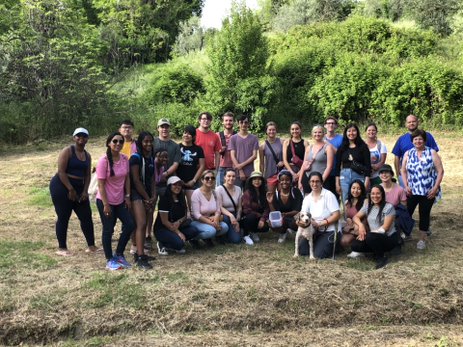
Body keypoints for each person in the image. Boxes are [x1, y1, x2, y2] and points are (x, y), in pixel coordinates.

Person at [49, 127, 97, 256]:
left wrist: (85, 191)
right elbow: (61, 172)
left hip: (80, 185)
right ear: (74, 137)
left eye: (84, 136)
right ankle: (62, 248)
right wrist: (70, 189)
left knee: (86, 216)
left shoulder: (87, 155)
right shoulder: (68, 151)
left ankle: (91, 245)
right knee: (63, 216)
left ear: (87, 138)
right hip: (62, 185)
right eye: (78, 136)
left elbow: (87, 175)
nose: (81, 138)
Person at [95, 132, 135, 270]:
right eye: (115, 141)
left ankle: (119, 254)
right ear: (109, 143)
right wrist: (106, 205)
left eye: (120, 142)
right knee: (108, 229)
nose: (118, 144)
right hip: (105, 201)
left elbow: (127, 178)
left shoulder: (124, 159)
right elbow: (100, 184)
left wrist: (128, 196)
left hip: (120, 200)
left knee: (130, 224)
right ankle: (109, 259)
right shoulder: (103, 161)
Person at [401, 129, 444, 250]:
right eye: (415, 139)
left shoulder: (432, 152)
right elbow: (403, 170)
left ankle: (422, 239)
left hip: (428, 190)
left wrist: (435, 188)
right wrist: (406, 185)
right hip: (412, 190)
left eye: (420, 139)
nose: (418, 141)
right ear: (412, 141)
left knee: (424, 213)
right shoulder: (408, 153)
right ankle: (406, 233)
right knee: (407, 212)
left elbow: (440, 171)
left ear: (424, 140)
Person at [352, 185, 400, 269]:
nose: (375, 196)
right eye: (373, 194)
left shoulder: (389, 207)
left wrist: (367, 235)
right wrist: (361, 225)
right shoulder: (368, 206)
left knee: (370, 237)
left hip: (388, 237)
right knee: (355, 245)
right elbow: (355, 217)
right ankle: (376, 250)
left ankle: (381, 257)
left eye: (378, 193)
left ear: (382, 194)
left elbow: (385, 228)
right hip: (373, 237)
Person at [296, 171, 341, 258]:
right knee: (302, 251)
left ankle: (337, 245)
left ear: (321, 183)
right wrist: (301, 223)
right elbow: (302, 214)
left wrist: (320, 223)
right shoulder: (307, 198)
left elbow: (337, 215)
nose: (315, 184)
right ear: (309, 183)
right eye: (312, 181)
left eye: (317, 181)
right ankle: (321, 243)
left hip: (329, 230)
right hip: (313, 230)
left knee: (318, 254)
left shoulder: (328, 195)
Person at [129, 131, 156, 269]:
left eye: (151, 141)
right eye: (146, 141)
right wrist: (146, 197)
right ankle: (140, 256)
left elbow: (152, 179)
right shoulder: (136, 157)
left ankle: (140, 252)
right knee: (141, 223)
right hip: (136, 194)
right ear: (140, 142)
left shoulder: (150, 158)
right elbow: (135, 180)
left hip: (147, 195)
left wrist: (153, 196)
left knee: (143, 224)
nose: (149, 144)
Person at [154, 176, 200, 255]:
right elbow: (165, 222)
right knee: (179, 244)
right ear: (169, 186)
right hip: (163, 228)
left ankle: (174, 242)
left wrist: (179, 221)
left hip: (177, 226)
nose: (177, 187)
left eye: (179, 185)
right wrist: (178, 232)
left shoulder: (181, 197)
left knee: (194, 231)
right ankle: (162, 244)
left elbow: (185, 215)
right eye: (175, 185)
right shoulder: (164, 199)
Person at [392, 114, 439, 186]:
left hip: (426, 175)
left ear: (418, 122)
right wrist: (398, 173)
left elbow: (435, 154)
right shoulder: (401, 139)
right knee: (407, 196)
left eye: (413, 121)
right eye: (409, 122)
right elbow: (396, 157)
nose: (411, 123)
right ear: (406, 124)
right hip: (406, 175)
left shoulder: (427, 136)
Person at [335, 123, 371, 203]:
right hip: (344, 176)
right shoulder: (342, 147)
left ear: (357, 132)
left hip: (358, 175)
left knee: (359, 199)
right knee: (345, 199)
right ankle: (346, 215)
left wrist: (366, 182)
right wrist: (337, 184)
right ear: (346, 133)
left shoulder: (363, 147)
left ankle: (359, 216)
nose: (351, 133)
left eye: (354, 131)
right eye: (349, 131)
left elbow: (368, 166)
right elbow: (337, 167)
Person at [190, 170, 229, 246]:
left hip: (212, 219)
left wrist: (216, 219)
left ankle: (208, 238)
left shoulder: (215, 193)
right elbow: (196, 214)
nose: (210, 180)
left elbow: (218, 210)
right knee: (212, 231)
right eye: (207, 178)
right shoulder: (196, 193)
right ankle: (193, 238)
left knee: (225, 227)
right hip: (198, 221)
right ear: (202, 180)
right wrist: (212, 223)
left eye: (212, 178)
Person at [267, 170, 303, 243]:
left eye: (287, 180)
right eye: (282, 180)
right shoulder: (276, 194)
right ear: (279, 181)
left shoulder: (295, 191)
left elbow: (298, 210)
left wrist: (285, 214)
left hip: (294, 217)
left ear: (291, 181)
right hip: (282, 218)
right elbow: (275, 214)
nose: (284, 182)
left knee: (297, 221)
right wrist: (270, 203)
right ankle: (283, 233)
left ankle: (294, 230)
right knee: (271, 223)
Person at [379, 164, 414, 239]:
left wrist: (391, 214)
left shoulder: (399, 189)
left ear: (391, 175)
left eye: (386, 172)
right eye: (382, 173)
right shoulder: (377, 188)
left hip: (395, 214)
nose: (384, 175)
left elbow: (403, 206)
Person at [299, 125, 335, 195]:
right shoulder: (309, 148)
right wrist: (299, 181)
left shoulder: (328, 148)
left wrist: (321, 181)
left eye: (319, 132)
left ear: (323, 134)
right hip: (307, 178)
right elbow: (304, 164)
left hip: (321, 179)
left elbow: (329, 167)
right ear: (312, 134)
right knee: (307, 201)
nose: (317, 134)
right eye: (315, 132)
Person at [177, 125, 205, 209]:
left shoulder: (198, 149)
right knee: (179, 207)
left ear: (193, 136)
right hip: (178, 182)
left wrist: (194, 180)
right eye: (185, 133)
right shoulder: (177, 147)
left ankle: (193, 222)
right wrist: (177, 179)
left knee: (194, 208)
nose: (186, 135)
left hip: (193, 182)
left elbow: (202, 166)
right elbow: (173, 164)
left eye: (189, 134)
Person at [241, 171, 270, 245]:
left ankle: (253, 232)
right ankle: (246, 235)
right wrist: (260, 216)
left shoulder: (264, 192)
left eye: (259, 179)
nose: (257, 181)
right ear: (251, 181)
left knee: (266, 228)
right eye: (254, 179)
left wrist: (263, 219)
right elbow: (246, 210)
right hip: (248, 217)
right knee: (251, 217)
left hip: (259, 217)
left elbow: (267, 208)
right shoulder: (247, 193)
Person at [340, 180, 367, 257]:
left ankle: (360, 249)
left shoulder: (365, 201)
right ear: (350, 189)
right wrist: (347, 218)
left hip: (362, 225)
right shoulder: (347, 202)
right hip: (351, 227)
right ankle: (355, 247)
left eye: (358, 188)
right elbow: (344, 216)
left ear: (362, 190)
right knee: (343, 241)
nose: (355, 191)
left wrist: (356, 223)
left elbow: (364, 216)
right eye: (353, 188)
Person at [230, 115, 259, 187]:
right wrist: (240, 170)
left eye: (246, 122)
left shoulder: (254, 138)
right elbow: (232, 156)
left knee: (249, 196)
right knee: (236, 195)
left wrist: (240, 165)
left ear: (248, 124)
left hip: (250, 172)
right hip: (236, 173)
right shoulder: (233, 138)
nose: (243, 124)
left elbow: (254, 156)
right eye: (241, 122)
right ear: (238, 124)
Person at [215, 168, 243, 244]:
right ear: (224, 177)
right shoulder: (219, 189)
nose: (231, 178)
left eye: (233, 176)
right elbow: (219, 207)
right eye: (229, 176)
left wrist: (238, 215)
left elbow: (239, 206)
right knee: (226, 218)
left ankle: (235, 232)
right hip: (224, 215)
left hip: (234, 213)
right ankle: (222, 236)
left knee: (237, 240)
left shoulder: (238, 189)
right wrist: (231, 215)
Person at [259, 121, 284, 193]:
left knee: (282, 195)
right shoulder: (262, 146)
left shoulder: (282, 142)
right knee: (270, 196)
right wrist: (262, 176)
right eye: (269, 130)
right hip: (269, 174)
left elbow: (287, 157)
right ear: (266, 131)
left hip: (281, 173)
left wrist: (283, 162)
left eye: (273, 130)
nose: (271, 131)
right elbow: (261, 163)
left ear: (276, 131)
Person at [323, 116, 343, 197]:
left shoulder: (341, 138)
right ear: (325, 125)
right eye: (328, 123)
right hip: (324, 172)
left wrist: (327, 143)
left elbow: (341, 155)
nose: (330, 125)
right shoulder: (320, 136)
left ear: (336, 126)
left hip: (336, 172)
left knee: (335, 196)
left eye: (333, 123)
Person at [217, 111, 236, 185]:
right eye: (226, 120)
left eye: (230, 120)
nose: (228, 122)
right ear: (223, 122)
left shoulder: (237, 136)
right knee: (220, 191)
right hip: (220, 168)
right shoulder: (217, 136)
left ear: (234, 122)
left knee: (234, 191)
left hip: (234, 167)